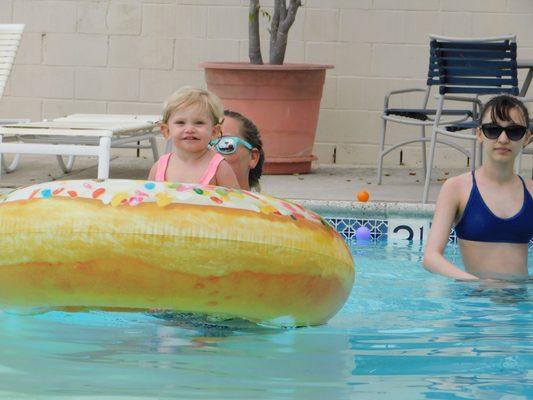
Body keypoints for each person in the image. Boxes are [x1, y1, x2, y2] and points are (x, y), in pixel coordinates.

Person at [423, 95, 532, 281]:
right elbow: (431, 258)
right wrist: (475, 283)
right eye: (493, 130)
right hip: (475, 301)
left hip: (522, 301)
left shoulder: (530, 190)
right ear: (479, 134)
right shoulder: (456, 188)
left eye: (514, 131)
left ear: (527, 138)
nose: (503, 139)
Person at [148, 86, 240, 188]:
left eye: (199, 123)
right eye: (180, 122)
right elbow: (148, 199)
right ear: (167, 131)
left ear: (214, 132)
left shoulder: (220, 168)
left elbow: (235, 202)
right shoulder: (159, 167)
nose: (189, 129)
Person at [209, 110, 264, 191]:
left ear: (253, 157)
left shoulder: (267, 204)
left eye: (225, 144)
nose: (211, 153)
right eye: (204, 146)